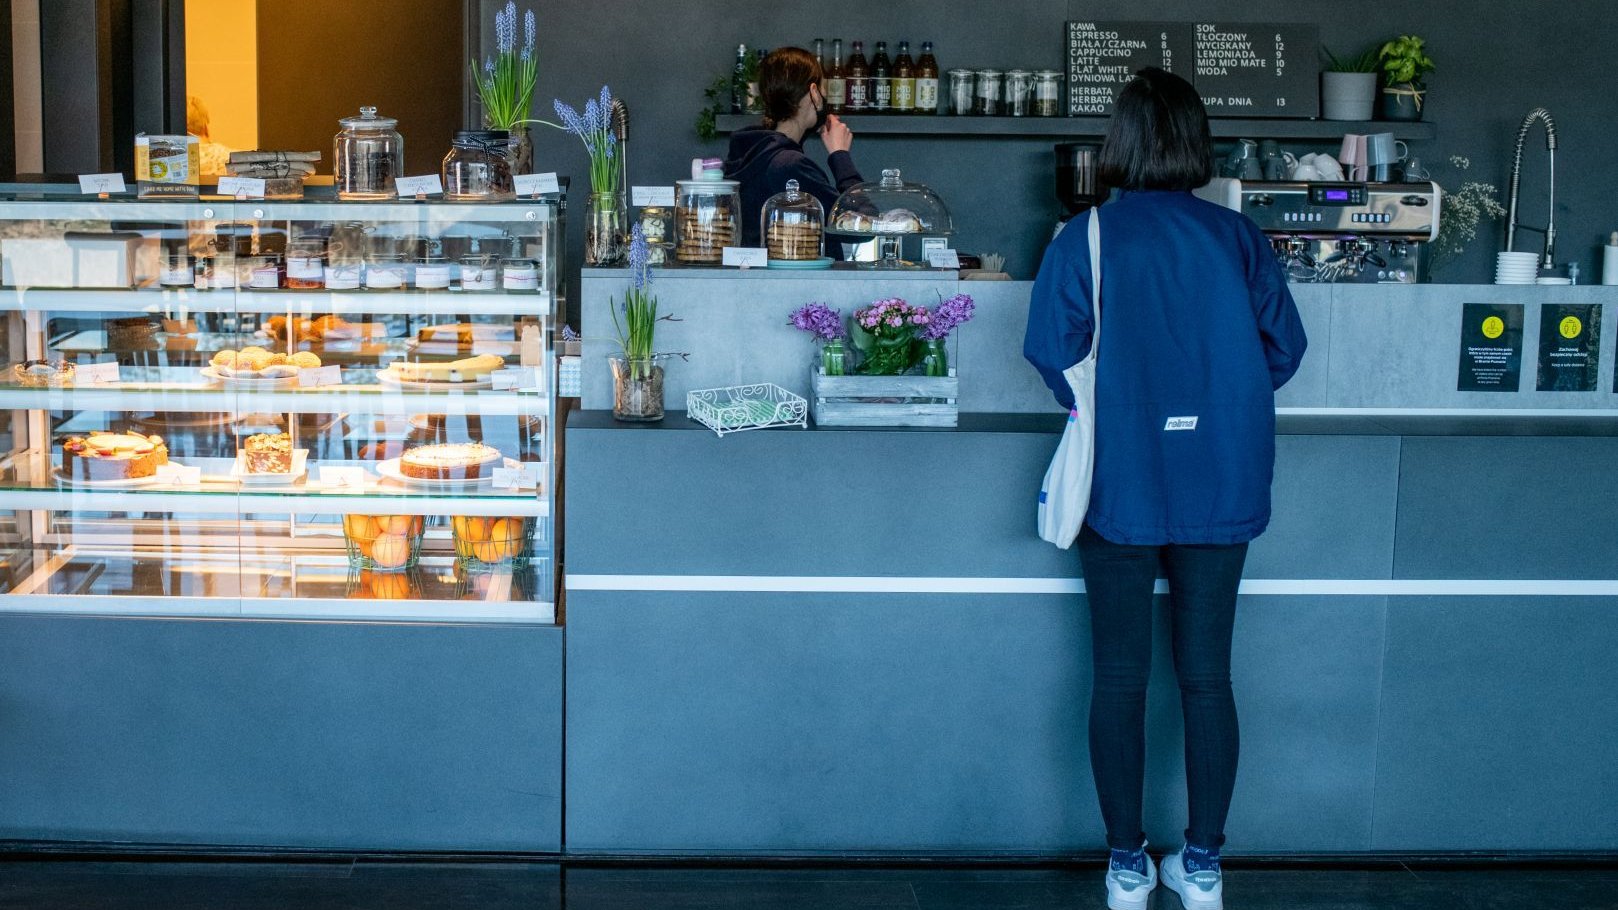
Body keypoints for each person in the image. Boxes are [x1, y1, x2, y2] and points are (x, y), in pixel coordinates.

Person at [1023, 68, 1307, 910]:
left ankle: (1123, 866)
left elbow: (1050, 347)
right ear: (1195, 140)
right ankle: (1205, 866)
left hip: (1124, 477)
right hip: (1223, 474)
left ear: (1119, 142)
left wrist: (1100, 402)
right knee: (1208, 677)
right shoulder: (1238, 236)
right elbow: (1284, 351)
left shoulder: (1088, 237)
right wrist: (1218, 397)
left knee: (1118, 677)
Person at [724, 47, 862, 255]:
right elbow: (861, 226)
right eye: (823, 91)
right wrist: (840, 155)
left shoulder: (749, 153)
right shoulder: (789, 165)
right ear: (814, 93)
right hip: (800, 286)